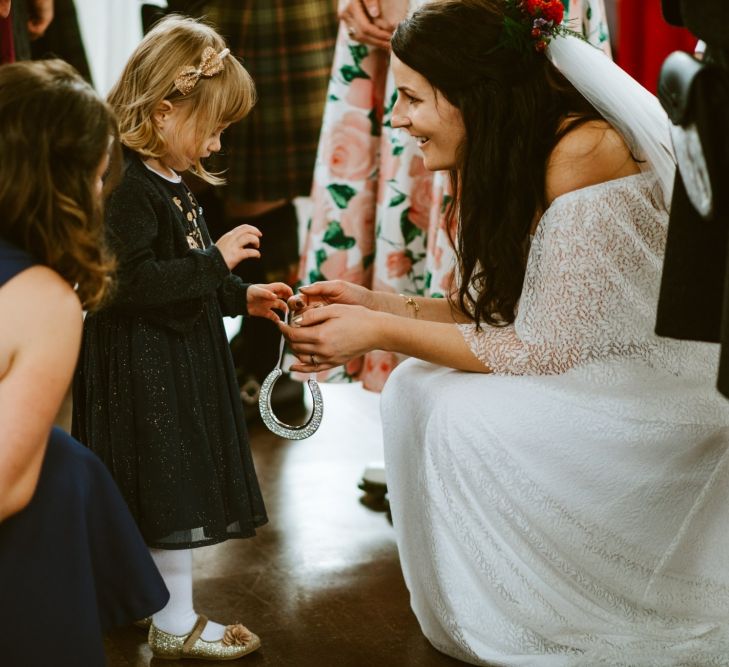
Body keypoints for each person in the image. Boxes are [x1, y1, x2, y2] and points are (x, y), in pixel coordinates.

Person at [283, 0, 729, 663]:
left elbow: (542, 347)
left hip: (650, 380)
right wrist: (371, 302)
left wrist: (375, 328)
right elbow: (497, 313)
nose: (395, 118)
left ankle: (552, 610)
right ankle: (493, 605)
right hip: (587, 360)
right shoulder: (511, 148)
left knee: (461, 412)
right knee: (414, 386)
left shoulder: (582, 150)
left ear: (469, 94)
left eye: (410, 98)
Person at [72, 16, 292, 661]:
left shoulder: (168, 180)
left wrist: (240, 295)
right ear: (165, 110)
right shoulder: (128, 189)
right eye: (214, 128)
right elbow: (127, 283)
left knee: (165, 487)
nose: (218, 146)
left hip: (174, 361)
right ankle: (174, 619)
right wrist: (217, 264)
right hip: (143, 370)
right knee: (171, 494)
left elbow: (185, 267)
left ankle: (147, 606)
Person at [0, 58, 168, 667]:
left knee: (69, 461)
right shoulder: (41, 299)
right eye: (97, 179)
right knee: (57, 478)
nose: (103, 195)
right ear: (57, 185)